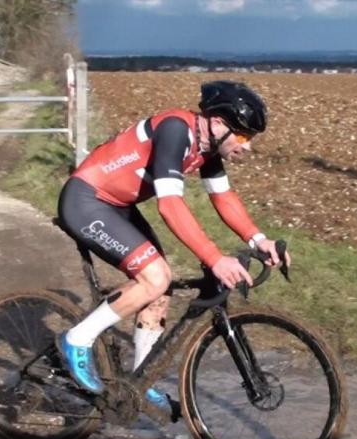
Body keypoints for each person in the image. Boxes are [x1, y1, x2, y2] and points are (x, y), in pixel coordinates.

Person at [55, 80, 290, 413]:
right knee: (155, 277)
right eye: (243, 136)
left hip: (117, 206)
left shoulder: (207, 147)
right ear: (218, 123)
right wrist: (213, 257)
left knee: (160, 291)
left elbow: (222, 197)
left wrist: (258, 238)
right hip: (86, 200)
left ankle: (140, 380)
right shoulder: (175, 129)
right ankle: (75, 340)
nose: (247, 146)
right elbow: (169, 205)